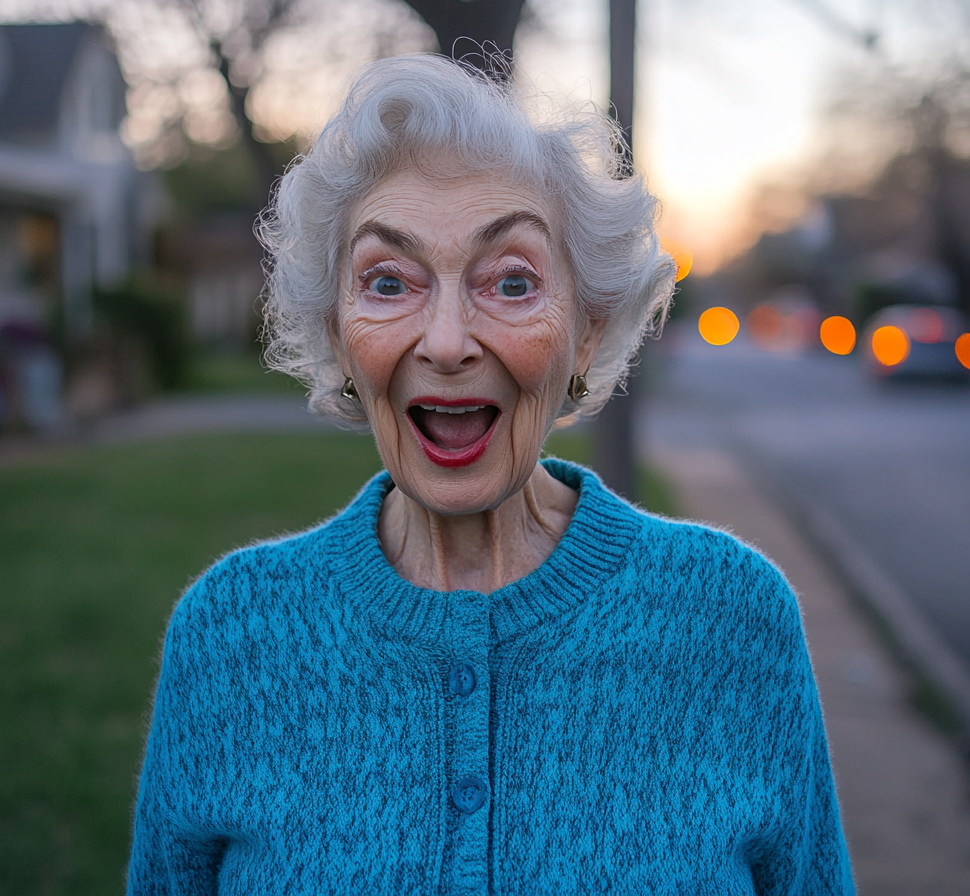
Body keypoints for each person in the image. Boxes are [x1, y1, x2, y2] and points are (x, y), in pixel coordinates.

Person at [127, 53, 854, 895]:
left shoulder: (733, 620)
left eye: (511, 282)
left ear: (586, 330)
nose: (444, 341)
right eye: (388, 281)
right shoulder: (230, 635)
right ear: (338, 334)